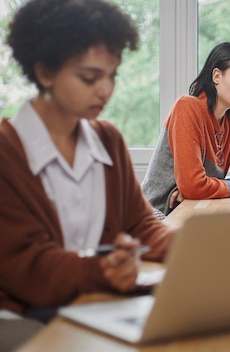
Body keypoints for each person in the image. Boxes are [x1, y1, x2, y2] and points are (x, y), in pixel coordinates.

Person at [0, 0, 174, 322]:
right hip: (24, 322)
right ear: (45, 72)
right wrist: (103, 271)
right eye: (90, 78)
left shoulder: (108, 139)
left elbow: (140, 225)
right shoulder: (6, 152)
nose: (106, 90)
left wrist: (193, 246)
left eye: (112, 75)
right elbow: (28, 268)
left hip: (94, 307)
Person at [142, 42, 230, 216]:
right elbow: (193, 186)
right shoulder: (187, 107)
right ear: (217, 76)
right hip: (153, 215)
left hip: (193, 213)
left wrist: (203, 189)